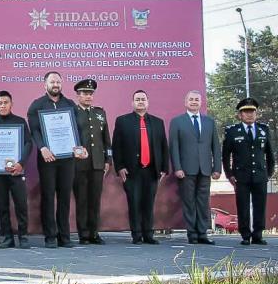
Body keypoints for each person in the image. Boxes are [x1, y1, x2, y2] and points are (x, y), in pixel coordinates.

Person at [26, 71, 84, 248]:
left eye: (58, 81)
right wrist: (42, 147)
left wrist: (78, 146)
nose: (56, 84)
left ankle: (64, 236)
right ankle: (50, 236)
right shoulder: (37, 105)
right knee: (48, 196)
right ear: (45, 85)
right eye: (52, 82)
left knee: (65, 197)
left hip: (67, 158)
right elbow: (34, 130)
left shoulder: (70, 105)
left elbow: (77, 129)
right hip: (47, 158)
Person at [112, 90, 169, 245]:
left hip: (152, 170)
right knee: (134, 203)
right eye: (137, 99)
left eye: (143, 99)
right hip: (131, 171)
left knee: (148, 203)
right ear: (132, 103)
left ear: (148, 102)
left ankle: (148, 234)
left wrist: (164, 168)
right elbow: (116, 147)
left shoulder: (158, 122)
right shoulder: (122, 121)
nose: (140, 101)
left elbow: (164, 146)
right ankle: (136, 235)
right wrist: (120, 167)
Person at [0, 91, 33, 249]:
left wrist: (21, 163)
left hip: (16, 172)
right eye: (0, 103)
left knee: (21, 205)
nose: (3, 105)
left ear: (11, 104)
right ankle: (6, 237)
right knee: (2, 206)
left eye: (6, 102)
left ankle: (23, 237)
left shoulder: (20, 122)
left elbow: (28, 144)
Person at [169, 90, 221, 245]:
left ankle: (202, 233)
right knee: (189, 202)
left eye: (196, 100)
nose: (193, 102)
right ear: (186, 102)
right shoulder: (177, 121)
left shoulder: (209, 122)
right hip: (185, 170)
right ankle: (192, 234)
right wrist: (177, 167)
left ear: (201, 102)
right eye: (191, 99)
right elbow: (174, 147)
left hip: (205, 169)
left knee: (203, 202)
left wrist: (217, 168)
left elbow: (216, 147)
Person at [222, 97, 274, 245]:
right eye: (245, 112)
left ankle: (258, 234)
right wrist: (229, 174)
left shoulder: (264, 130)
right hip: (241, 176)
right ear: (240, 115)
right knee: (243, 205)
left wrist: (268, 173)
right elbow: (226, 156)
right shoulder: (232, 131)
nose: (249, 115)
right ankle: (245, 234)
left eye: (252, 112)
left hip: (260, 174)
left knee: (260, 205)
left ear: (256, 114)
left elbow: (270, 154)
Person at [72, 79, 111, 245]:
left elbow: (106, 139)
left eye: (90, 93)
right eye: (85, 93)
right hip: (79, 163)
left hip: (97, 163)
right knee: (82, 199)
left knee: (95, 199)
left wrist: (108, 159)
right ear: (78, 95)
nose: (88, 96)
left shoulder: (100, 113)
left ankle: (94, 232)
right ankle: (84, 234)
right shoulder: (72, 113)